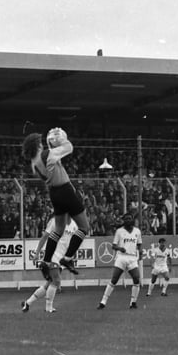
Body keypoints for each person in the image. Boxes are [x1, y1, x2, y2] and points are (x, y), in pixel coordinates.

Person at [21, 129, 90, 275]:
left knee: (58, 230)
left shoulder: (34, 164)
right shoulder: (48, 155)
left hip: (54, 193)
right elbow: (69, 148)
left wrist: (52, 145)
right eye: (40, 143)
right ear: (37, 146)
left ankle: (45, 262)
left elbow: (51, 164)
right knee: (84, 227)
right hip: (65, 191)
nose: (42, 144)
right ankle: (68, 257)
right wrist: (61, 140)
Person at [21, 214, 78, 313]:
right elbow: (44, 237)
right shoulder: (55, 221)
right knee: (56, 281)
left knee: (49, 284)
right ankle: (48, 308)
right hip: (52, 254)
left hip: (62, 258)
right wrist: (36, 253)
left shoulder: (74, 225)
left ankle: (27, 303)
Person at [97, 213, 142, 310]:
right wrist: (120, 248)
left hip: (132, 258)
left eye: (130, 218)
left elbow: (139, 244)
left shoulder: (137, 231)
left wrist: (139, 252)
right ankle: (103, 301)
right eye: (126, 219)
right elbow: (113, 246)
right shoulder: (119, 231)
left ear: (132, 219)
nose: (128, 220)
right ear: (124, 220)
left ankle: (133, 302)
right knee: (114, 279)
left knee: (137, 279)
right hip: (121, 257)